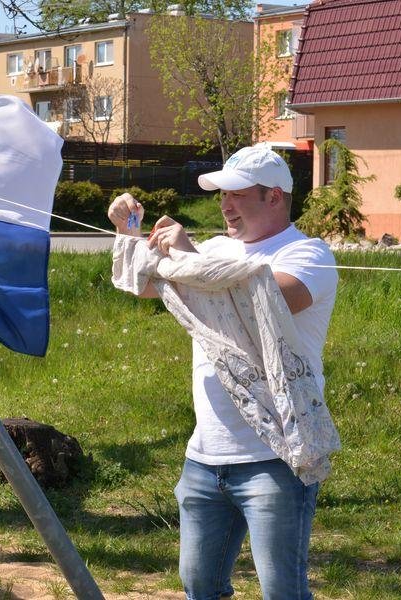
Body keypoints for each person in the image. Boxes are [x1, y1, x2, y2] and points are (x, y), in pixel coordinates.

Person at [107, 145, 339, 599]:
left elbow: (262, 303)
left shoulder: (308, 254)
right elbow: (146, 285)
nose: (225, 206)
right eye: (222, 195)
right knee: (200, 585)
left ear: (274, 196)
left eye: (237, 194)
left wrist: (188, 255)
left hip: (275, 457)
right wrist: (128, 230)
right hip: (205, 458)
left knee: (282, 592)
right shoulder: (214, 250)